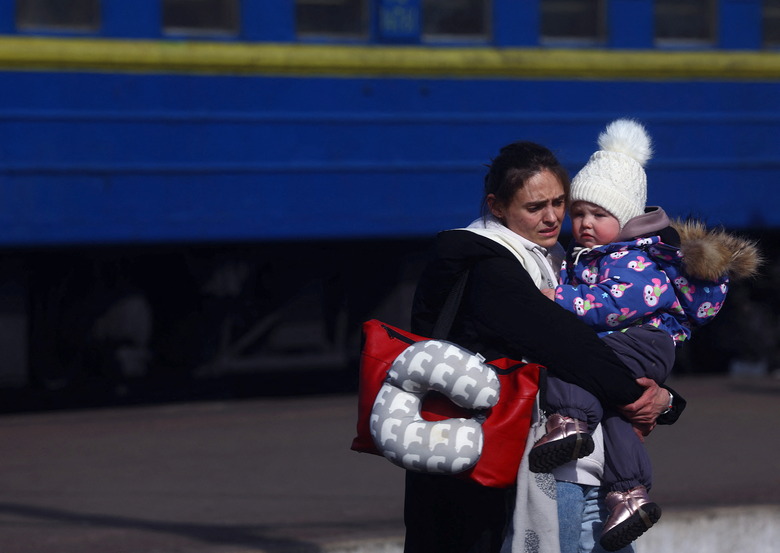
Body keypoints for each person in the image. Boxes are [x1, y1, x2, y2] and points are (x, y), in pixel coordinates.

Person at [404, 140, 683, 553]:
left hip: (554, 460)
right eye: (535, 207)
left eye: (558, 202)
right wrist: (653, 400)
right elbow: (564, 345)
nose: (553, 217)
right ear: (497, 206)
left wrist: (666, 400)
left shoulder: (551, 259)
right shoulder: (489, 266)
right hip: (485, 470)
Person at [528, 119, 762, 551]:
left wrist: (558, 298)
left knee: (575, 362)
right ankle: (629, 494)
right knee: (619, 416)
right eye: (578, 213)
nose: (584, 223)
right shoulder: (597, 254)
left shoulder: (633, 260)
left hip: (640, 341)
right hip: (640, 346)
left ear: (627, 217)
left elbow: (614, 306)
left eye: (599, 214)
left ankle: (570, 421)